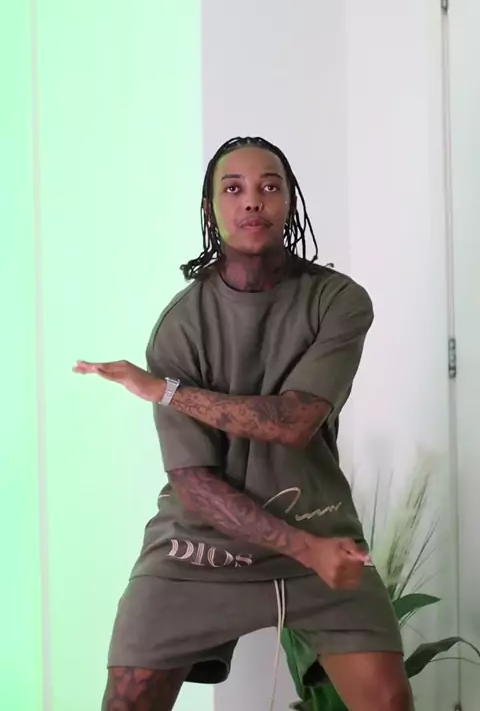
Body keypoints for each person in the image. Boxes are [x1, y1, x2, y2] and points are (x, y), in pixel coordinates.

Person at [75, 137, 412, 711]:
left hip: (320, 531)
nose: (252, 200)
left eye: (268, 186)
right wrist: (303, 548)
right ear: (211, 209)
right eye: (233, 188)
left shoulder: (338, 301)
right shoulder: (181, 326)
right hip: (197, 549)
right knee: (127, 699)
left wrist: (166, 391)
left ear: (290, 202)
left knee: (388, 702)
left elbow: (295, 421)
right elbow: (194, 482)